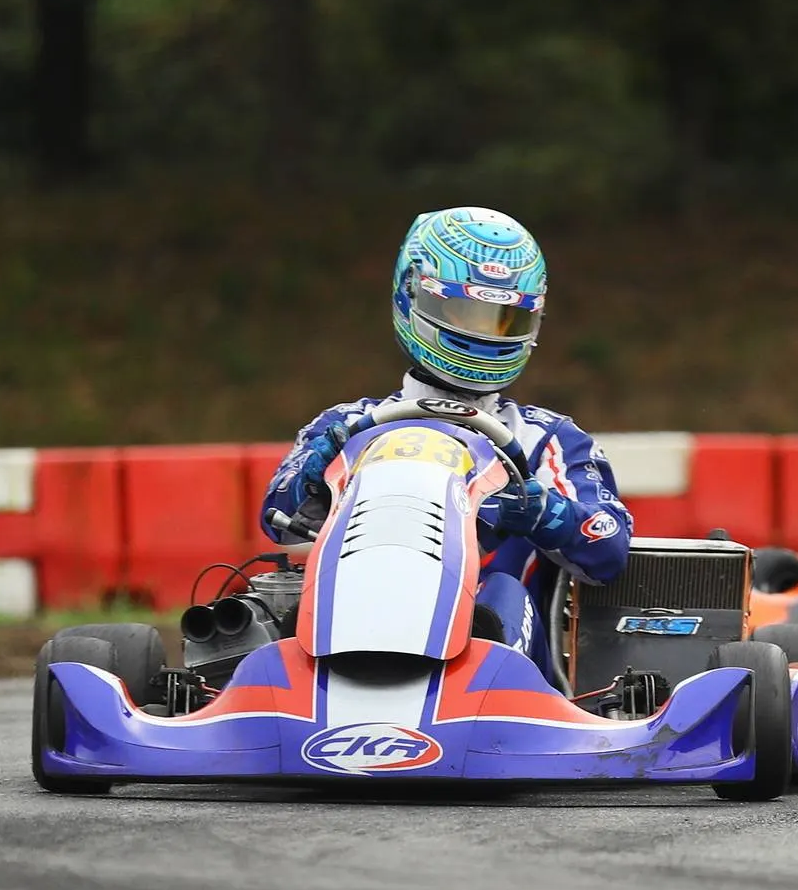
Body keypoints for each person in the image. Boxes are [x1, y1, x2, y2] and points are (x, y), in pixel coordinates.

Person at [261, 207, 631, 673]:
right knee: (279, 603)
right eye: (464, 312)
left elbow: (610, 547)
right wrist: (315, 477)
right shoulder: (349, 426)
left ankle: (492, 703)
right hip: (355, 611)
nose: (483, 334)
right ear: (413, 297)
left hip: (485, 637)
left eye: (503, 321)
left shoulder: (547, 439)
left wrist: (541, 512)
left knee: (503, 594)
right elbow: (278, 519)